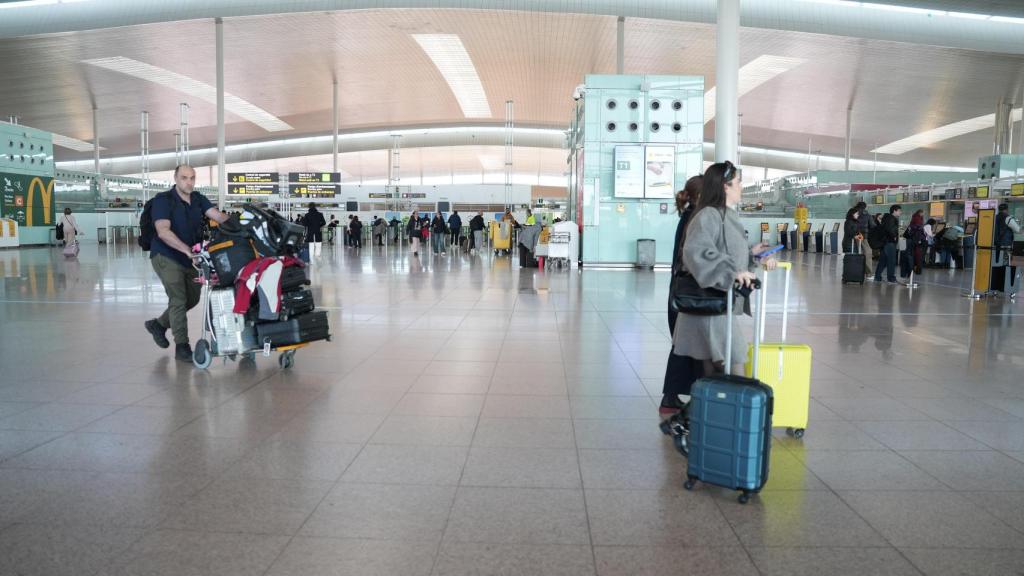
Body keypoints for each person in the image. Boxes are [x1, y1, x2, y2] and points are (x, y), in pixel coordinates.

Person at [675, 161, 777, 379]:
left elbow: (724, 252)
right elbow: (697, 252)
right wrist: (731, 274)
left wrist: (752, 256)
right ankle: (734, 409)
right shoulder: (709, 215)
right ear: (725, 187)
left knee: (714, 364)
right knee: (735, 359)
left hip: (719, 302)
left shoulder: (724, 214)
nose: (742, 187)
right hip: (712, 302)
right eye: (738, 183)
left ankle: (714, 409)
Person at [144, 164, 229, 362]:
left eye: (192, 178)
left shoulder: (198, 198)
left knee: (192, 299)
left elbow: (217, 216)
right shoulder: (163, 200)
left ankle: (158, 325)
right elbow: (163, 231)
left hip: (190, 258)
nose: (189, 182)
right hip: (166, 255)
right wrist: (187, 251)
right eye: (184, 178)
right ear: (175, 178)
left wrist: (242, 225)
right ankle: (182, 347)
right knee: (178, 299)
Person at [661, 175, 703, 413]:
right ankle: (693, 396)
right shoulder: (696, 219)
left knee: (683, 344)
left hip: (679, 291)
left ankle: (671, 396)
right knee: (689, 344)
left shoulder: (689, 216)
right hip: (688, 294)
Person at [873, 204, 902, 284]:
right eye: (899, 211)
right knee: (891, 261)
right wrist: (894, 237)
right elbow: (890, 229)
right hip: (890, 242)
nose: (900, 212)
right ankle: (891, 278)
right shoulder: (891, 218)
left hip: (885, 242)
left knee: (883, 260)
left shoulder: (886, 218)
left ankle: (877, 277)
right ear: (894, 211)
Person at [854, 202, 875, 276]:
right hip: (863, 236)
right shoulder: (867, 214)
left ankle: (856, 271)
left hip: (853, 236)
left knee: (856, 253)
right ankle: (868, 273)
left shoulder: (852, 212)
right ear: (865, 207)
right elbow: (872, 225)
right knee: (868, 253)